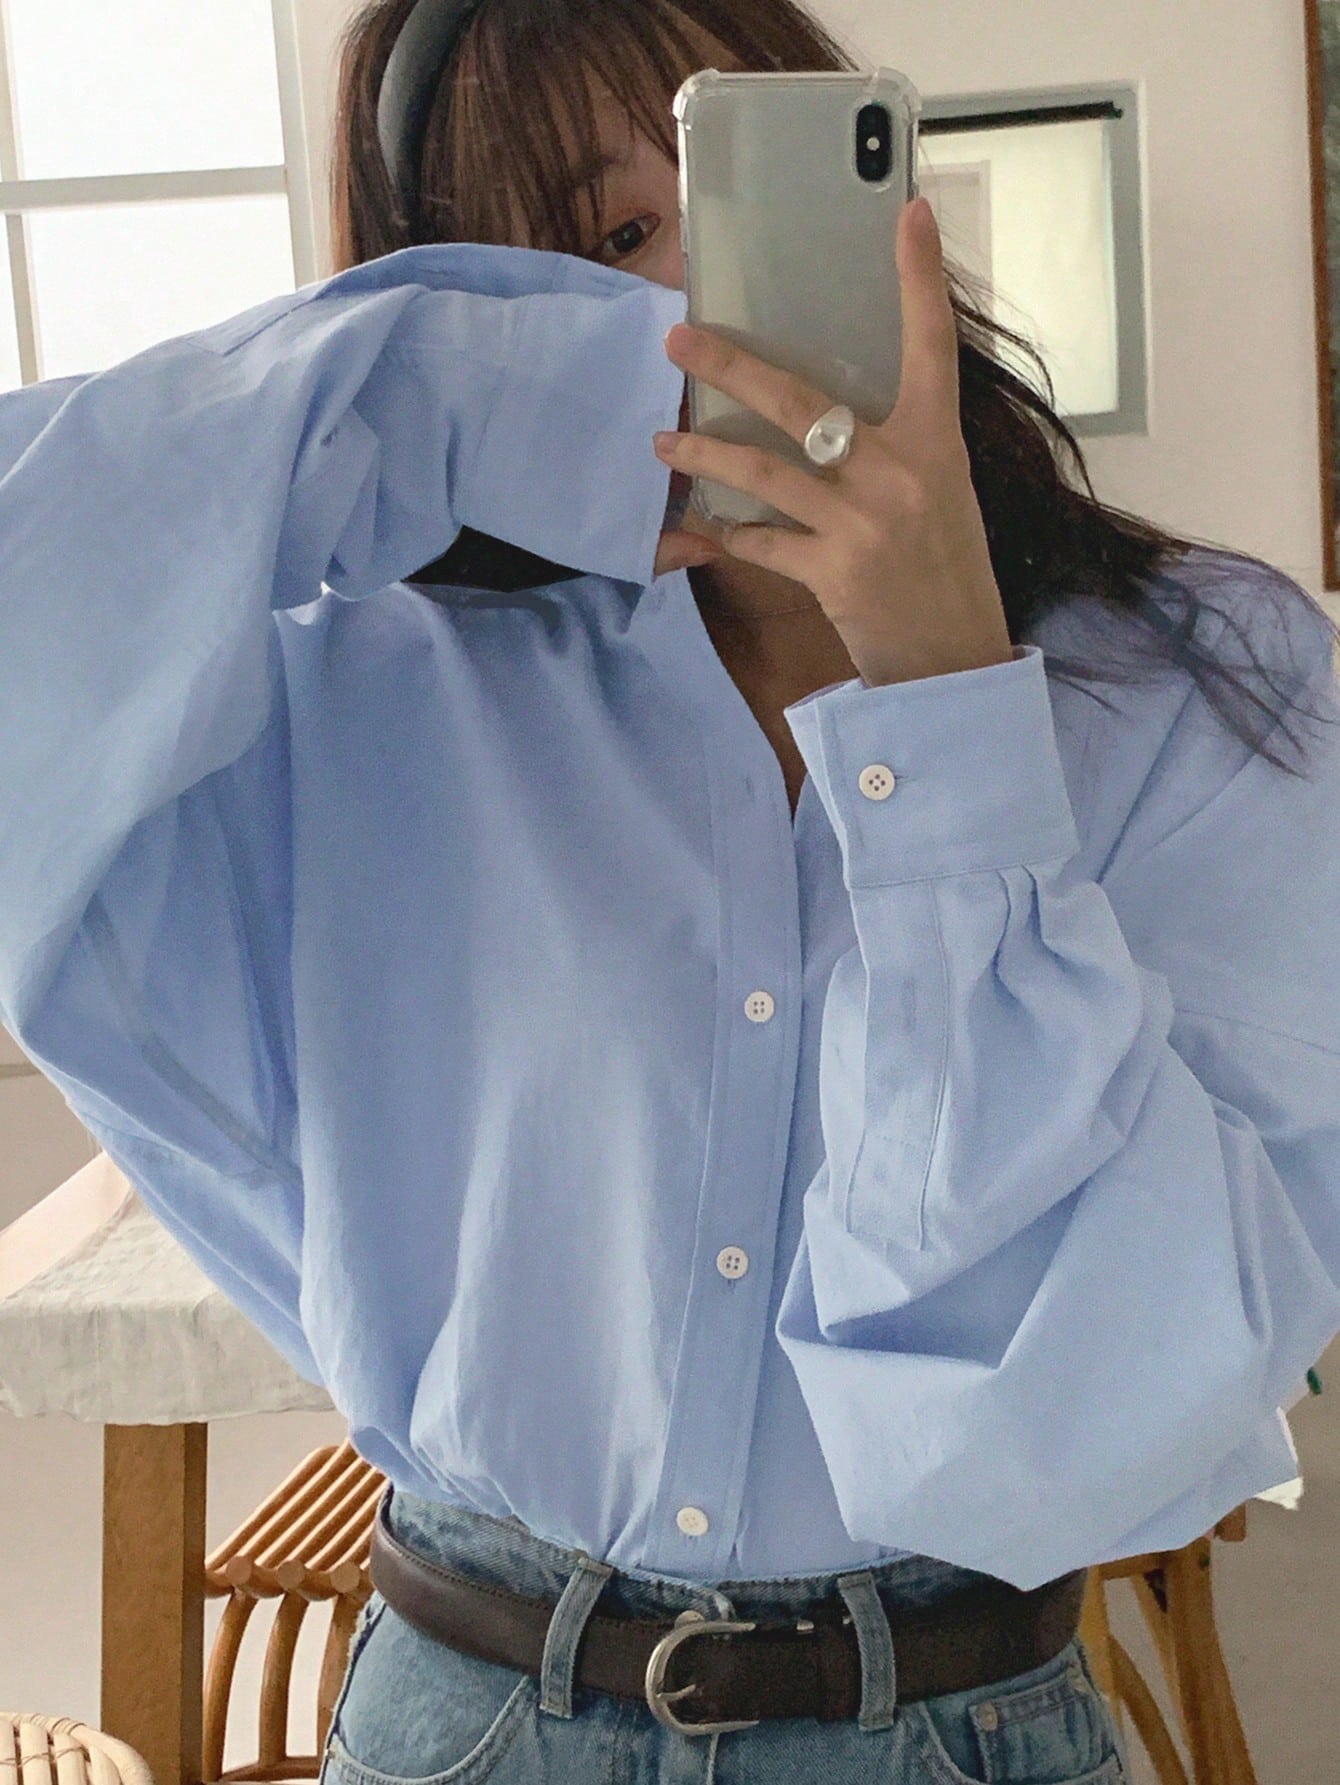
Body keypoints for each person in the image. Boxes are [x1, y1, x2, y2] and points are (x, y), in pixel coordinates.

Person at [2, 0, 1338, 1777]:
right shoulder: (375, 689)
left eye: (731, 196)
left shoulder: (1209, 680)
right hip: (473, 1707)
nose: (678, 309)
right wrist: (445, 390)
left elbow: (1076, 1414)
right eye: (577, 264)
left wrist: (943, 712)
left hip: (949, 1717)